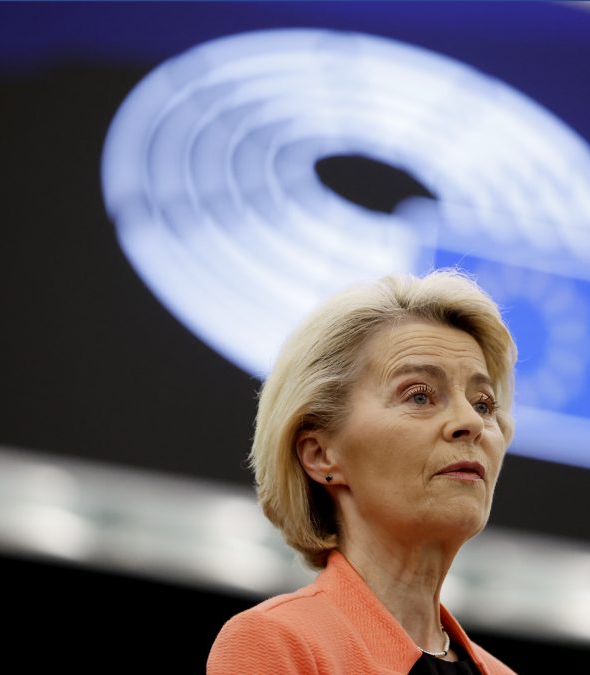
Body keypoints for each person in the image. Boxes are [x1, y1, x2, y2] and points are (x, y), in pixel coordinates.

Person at [206, 268, 519, 674]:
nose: (472, 423)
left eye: (483, 404)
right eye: (419, 396)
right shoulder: (276, 641)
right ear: (320, 455)